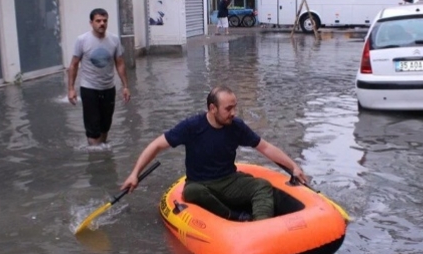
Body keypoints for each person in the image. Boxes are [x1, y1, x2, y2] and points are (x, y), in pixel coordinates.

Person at [121, 86, 307, 221]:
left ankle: (262, 226)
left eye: (235, 107)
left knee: (262, 186)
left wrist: (294, 167)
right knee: (193, 192)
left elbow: (265, 147)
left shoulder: (236, 127)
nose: (233, 113)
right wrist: (134, 174)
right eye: (228, 109)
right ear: (212, 108)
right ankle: (232, 216)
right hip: (201, 184)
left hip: (229, 180)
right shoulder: (192, 127)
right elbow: (156, 146)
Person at [68, 8, 131, 146]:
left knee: (105, 126)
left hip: (108, 88)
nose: (102, 23)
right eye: (98, 21)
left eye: (104, 21)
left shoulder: (114, 40)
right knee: (93, 130)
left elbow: (120, 63)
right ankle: (96, 159)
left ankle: (103, 156)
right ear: (91, 23)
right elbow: (73, 65)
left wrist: (125, 87)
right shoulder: (82, 40)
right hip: (89, 88)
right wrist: (71, 88)